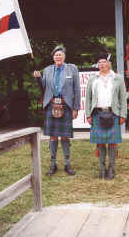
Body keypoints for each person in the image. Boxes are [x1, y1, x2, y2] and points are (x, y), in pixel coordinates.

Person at [34, 45, 81, 176]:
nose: (58, 56)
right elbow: (43, 88)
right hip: (51, 105)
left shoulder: (72, 69)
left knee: (65, 136)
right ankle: (53, 164)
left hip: (66, 106)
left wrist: (76, 108)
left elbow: (77, 90)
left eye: (60, 54)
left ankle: (67, 164)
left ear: (64, 56)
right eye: (56, 55)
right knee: (53, 136)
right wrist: (38, 78)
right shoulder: (48, 70)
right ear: (53, 57)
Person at [85, 53, 127, 180]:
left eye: (104, 61)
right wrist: (88, 114)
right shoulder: (93, 78)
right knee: (100, 143)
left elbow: (122, 98)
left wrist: (123, 114)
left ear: (109, 63)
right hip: (97, 113)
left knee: (113, 143)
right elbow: (88, 98)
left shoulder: (118, 78)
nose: (102, 64)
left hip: (113, 113)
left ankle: (112, 168)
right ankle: (102, 168)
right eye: (99, 62)